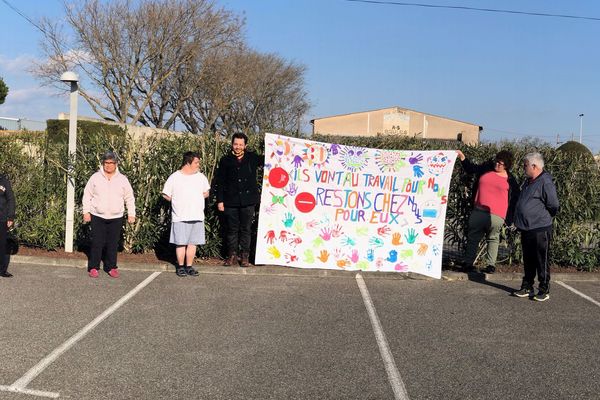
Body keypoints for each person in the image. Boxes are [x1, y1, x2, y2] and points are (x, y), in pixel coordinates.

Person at [456, 149, 520, 274]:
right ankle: (468, 263)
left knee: (493, 238)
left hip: (497, 215)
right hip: (479, 210)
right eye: (497, 162)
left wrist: (510, 218)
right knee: (473, 237)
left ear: (507, 165)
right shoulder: (486, 168)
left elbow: (515, 199)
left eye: (501, 164)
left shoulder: (510, 179)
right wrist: (462, 157)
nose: (497, 165)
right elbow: (470, 168)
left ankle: (490, 265)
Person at [512, 152, 559, 302]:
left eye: (525, 165)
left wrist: (542, 216)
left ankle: (544, 288)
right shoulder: (528, 181)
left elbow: (553, 204)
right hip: (527, 228)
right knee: (528, 258)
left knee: (541, 259)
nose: (523, 168)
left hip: (540, 227)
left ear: (534, 166)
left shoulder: (545, 181)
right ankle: (527, 286)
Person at [82, 151, 136, 278]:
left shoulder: (123, 179)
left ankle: (111, 267)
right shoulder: (95, 177)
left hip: (116, 216)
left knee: (113, 243)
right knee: (97, 242)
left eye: (111, 163)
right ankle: (94, 267)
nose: (108, 165)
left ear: (116, 164)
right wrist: (86, 212)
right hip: (97, 215)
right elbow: (87, 195)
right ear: (103, 163)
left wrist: (131, 213)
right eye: (106, 163)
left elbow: (129, 197)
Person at [216, 132, 263, 267]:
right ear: (232, 144)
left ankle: (245, 256)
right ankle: (231, 255)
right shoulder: (225, 160)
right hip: (231, 201)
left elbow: (270, 158)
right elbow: (221, 182)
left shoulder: (252, 158)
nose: (238, 147)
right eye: (235, 144)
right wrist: (220, 200)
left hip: (248, 201)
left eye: (241, 144)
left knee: (246, 229)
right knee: (232, 229)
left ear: (245, 145)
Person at [162, 151, 210, 277]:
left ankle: (189, 266)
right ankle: (180, 266)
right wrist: (177, 201)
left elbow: (206, 192)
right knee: (181, 242)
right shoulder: (175, 177)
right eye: (196, 162)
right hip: (180, 216)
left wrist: (196, 198)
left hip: (197, 215)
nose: (198, 165)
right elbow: (166, 194)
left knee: (193, 243)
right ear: (188, 163)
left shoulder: (201, 177)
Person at [0, 173, 15, 278]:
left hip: (2, 219)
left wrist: (10, 217)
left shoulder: (4, 180)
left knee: (2, 245)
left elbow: (11, 199)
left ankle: (2, 270)